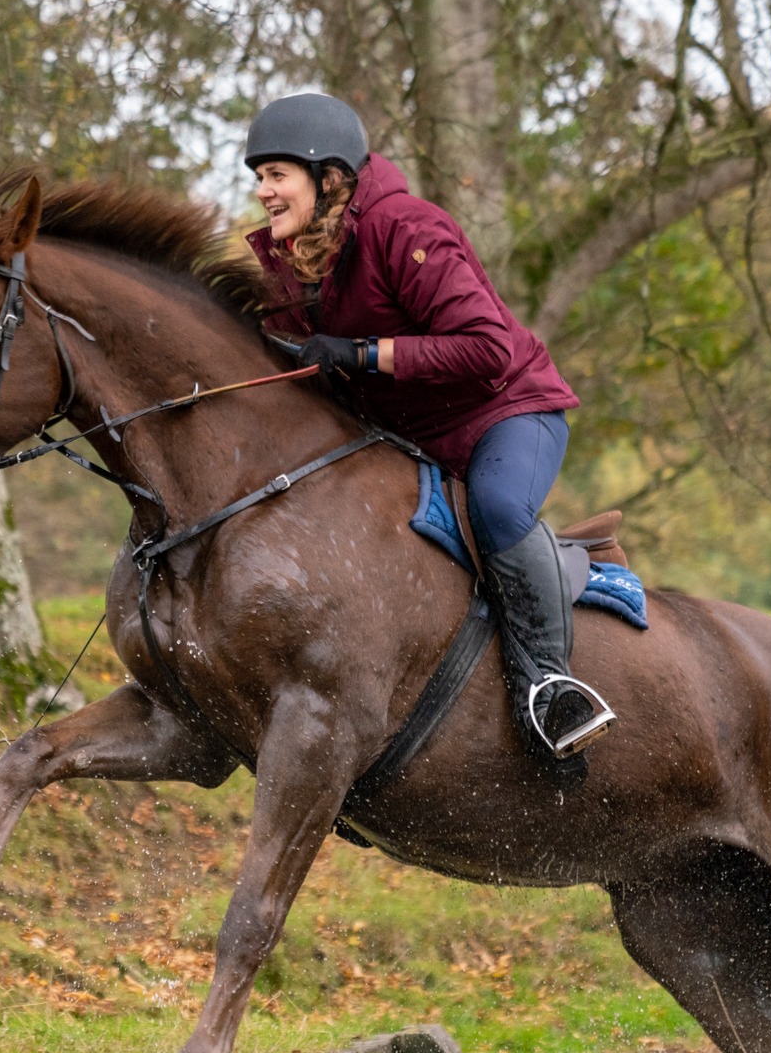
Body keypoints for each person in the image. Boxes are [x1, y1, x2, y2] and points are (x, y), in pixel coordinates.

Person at [243, 92, 616, 765]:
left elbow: (487, 347)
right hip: (410, 435)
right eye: (258, 178)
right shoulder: (291, 260)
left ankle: (553, 689)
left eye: (275, 174)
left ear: (328, 178)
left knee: (499, 508)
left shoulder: (406, 228)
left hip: (505, 413)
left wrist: (362, 354)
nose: (263, 191)